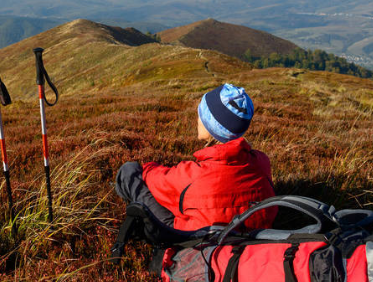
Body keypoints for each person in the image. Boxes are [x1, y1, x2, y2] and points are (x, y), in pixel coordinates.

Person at [114, 83, 277, 231]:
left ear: (212, 125)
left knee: (130, 171)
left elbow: (153, 178)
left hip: (194, 244)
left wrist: (150, 166)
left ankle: (119, 209)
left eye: (202, 114)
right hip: (250, 242)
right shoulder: (262, 163)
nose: (198, 118)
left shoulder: (192, 175)